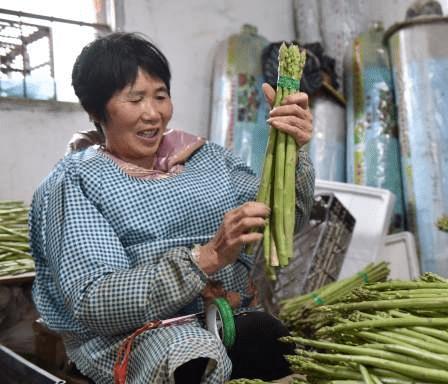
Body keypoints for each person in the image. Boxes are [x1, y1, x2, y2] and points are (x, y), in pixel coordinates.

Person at [29, 32, 315, 383]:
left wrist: (294, 149)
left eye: (160, 96)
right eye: (135, 99)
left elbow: (282, 227)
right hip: (135, 337)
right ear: (96, 110)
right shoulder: (76, 182)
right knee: (189, 353)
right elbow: (95, 300)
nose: (153, 113)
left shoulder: (208, 160)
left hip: (223, 317)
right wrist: (205, 259)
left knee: (270, 338)